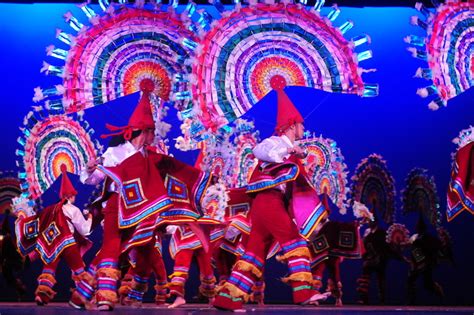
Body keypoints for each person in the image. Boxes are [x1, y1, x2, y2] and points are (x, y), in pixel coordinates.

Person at [213, 75, 328, 311]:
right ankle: (303, 292)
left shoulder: (292, 149)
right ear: (291, 125)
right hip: (269, 202)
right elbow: (260, 151)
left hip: (268, 205)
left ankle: (227, 299)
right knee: (294, 241)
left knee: (254, 254)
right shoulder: (275, 142)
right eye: (300, 124)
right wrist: (289, 149)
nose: (303, 129)